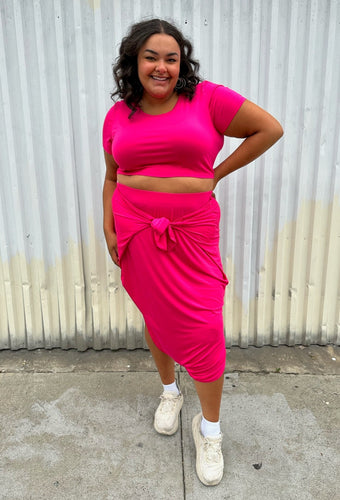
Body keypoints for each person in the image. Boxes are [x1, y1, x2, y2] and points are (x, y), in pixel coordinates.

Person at [102, 18, 283, 486]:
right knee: (156, 313)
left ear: (181, 63)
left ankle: (211, 431)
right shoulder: (119, 115)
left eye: (171, 58)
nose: (161, 67)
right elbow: (112, 176)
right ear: (133, 62)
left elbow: (268, 129)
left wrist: (217, 174)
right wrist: (108, 223)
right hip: (136, 228)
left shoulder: (208, 99)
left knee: (204, 324)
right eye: (151, 57)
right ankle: (169, 392)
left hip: (192, 231)